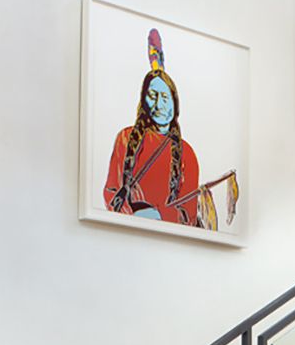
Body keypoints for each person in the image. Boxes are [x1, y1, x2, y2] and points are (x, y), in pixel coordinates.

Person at [103, 28, 240, 230]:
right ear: (143, 101)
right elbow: (111, 192)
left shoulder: (187, 153)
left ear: (175, 103)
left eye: (165, 98)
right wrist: (134, 216)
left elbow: (189, 213)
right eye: (153, 96)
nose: (159, 105)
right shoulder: (125, 138)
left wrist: (159, 215)